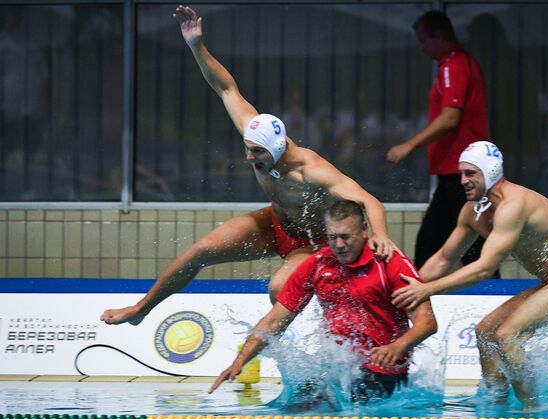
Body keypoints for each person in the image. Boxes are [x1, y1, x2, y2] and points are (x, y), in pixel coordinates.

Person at [100, 5, 396, 326]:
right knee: (202, 250)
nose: (249, 158)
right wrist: (196, 45)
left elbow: (369, 201)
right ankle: (141, 309)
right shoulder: (254, 131)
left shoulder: (312, 170)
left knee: (280, 288)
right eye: (248, 149)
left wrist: (380, 234)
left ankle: (298, 353)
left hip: (316, 241)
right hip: (276, 224)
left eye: (257, 153)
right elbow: (226, 87)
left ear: (278, 149)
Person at [391, 141, 548, 406]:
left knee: (507, 335)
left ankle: (532, 410)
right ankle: (496, 403)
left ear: (490, 171)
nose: (463, 180)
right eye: (461, 173)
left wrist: (426, 290)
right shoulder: (473, 212)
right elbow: (445, 258)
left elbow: (483, 269)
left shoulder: (514, 205)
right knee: (485, 332)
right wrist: (410, 285)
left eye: (471, 173)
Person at [209, 200, 438, 403]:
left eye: (346, 237)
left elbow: (427, 322)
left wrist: (397, 347)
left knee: (337, 408)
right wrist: (239, 362)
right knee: (296, 405)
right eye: (332, 237)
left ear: (364, 230)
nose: (338, 244)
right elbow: (273, 322)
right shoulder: (317, 264)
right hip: (339, 369)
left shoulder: (389, 263)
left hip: (383, 370)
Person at [386, 10, 492, 272]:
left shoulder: (454, 65)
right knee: (429, 244)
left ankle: (493, 295)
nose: (422, 48)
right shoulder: (455, 65)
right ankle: (417, 296)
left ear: (440, 35)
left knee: (475, 246)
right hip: (451, 174)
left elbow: (449, 119)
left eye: (424, 41)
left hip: (460, 172)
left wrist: (408, 145)